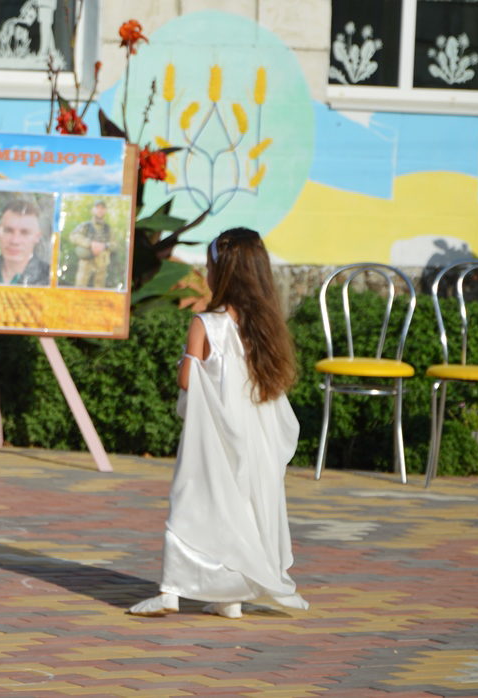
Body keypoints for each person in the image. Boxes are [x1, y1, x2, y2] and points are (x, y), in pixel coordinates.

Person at [127, 228, 307, 620]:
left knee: (190, 501)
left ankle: (170, 592)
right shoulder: (267, 331)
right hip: (251, 442)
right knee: (237, 509)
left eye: (210, 267)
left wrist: (184, 362)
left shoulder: (206, 323)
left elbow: (188, 380)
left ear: (222, 275)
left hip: (211, 439)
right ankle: (231, 598)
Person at [0, 198, 51, 286]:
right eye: (8, 230)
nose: (15, 241)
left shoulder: (51, 281)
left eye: (25, 233)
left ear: (37, 236)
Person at [69, 199, 113, 288]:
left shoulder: (108, 229)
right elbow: (73, 236)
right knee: (80, 289)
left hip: (102, 264)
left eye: (102, 208)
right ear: (93, 210)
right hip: (86, 262)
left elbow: (115, 245)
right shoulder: (86, 226)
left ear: (105, 210)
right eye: (97, 208)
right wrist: (90, 243)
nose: (100, 210)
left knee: (99, 290)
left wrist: (104, 246)